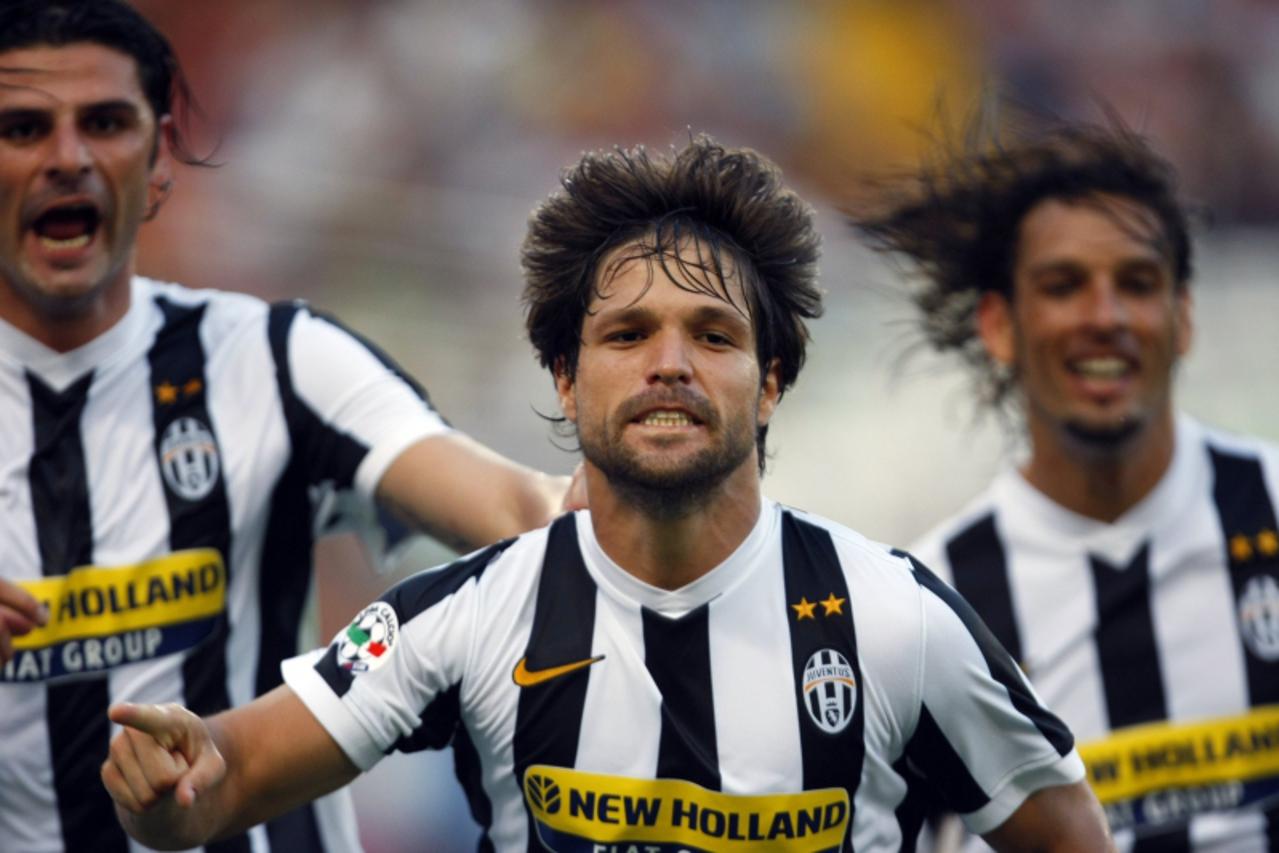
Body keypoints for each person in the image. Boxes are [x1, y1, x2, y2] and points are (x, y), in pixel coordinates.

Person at [101, 134, 1113, 852]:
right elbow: (225, 771)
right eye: (627, 335)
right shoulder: (460, 615)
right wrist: (172, 786)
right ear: (565, 379)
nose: (668, 364)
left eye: (712, 335)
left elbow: (1067, 833)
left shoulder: (899, 619)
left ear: (768, 382)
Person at [0, 2, 577, 851]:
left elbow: (517, 509)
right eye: (23, 128)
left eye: (106, 123)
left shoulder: (274, 358)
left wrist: (621, 499)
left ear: (160, 158)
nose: (69, 157)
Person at [852, 119, 1279, 850]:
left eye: (1137, 284)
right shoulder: (929, 608)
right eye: (1063, 285)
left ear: (1181, 319)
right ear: (999, 325)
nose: (1104, 316)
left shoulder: (1268, 500)